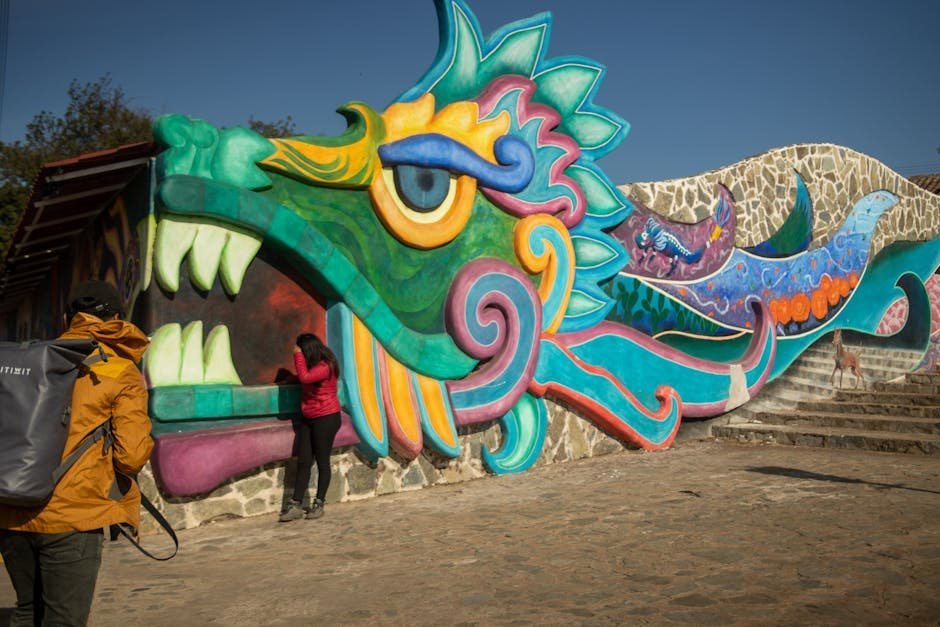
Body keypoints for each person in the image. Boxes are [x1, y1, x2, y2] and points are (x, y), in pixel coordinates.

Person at [0, 280, 152, 626]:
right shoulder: (119, 370)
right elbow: (131, 456)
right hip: (72, 515)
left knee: (27, 610)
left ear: (68, 318)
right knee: (63, 619)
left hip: (10, 507)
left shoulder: (35, 360)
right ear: (117, 318)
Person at [280, 332, 341, 522]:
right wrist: (289, 380)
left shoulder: (326, 366)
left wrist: (297, 355)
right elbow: (304, 378)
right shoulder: (315, 366)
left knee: (322, 461)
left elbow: (306, 378)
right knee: (304, 461)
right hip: (309, 417)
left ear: (307, 350)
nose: (298, 353)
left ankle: (319, 503)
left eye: (301, 350)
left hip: (327, 418)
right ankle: (296, 504)